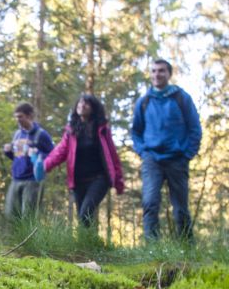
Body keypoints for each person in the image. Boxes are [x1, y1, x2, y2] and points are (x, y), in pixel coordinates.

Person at [132, 58, 202, 240]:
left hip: (177, 159)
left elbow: (194, 128)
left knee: (180, 208)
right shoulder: (144, 101)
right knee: (150, 202)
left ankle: (187, 248)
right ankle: (152, 251)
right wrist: (143, 151)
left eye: (161, 71)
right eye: (154, 71)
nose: (157, 74)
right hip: (152, 160)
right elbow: (136, 131)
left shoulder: (181, 98)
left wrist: (187, 153)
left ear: (169, 74)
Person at [44, 94, 125, 227]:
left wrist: (119, 181)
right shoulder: (71, 131)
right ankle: (87, 246)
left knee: (85, 213)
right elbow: (60, 151)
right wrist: (45, 165)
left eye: (86, 103)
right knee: (83, 220)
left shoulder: (102, 130)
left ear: (93, 108)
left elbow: (112, 155)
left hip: (99, 179)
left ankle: (90, 245)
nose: (82, 105)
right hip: (78, 181)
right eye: (80, 103)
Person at [3, 102, 54, 220]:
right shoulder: (17, 134)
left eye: (20, 116)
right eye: (16, 117)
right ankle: (15, 239)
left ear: (29, 116)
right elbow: (17, 157)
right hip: (16, 178)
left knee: (28, 217)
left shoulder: (41, 134)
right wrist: (8, 151)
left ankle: (30, 239)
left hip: (32, 180)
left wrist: (37, 153)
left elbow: (52, 156)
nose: (17, 120)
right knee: (10, 214)